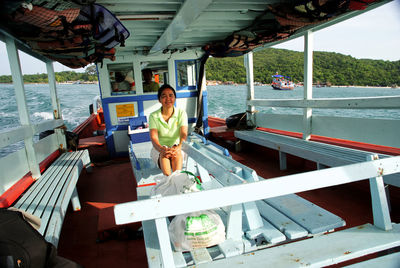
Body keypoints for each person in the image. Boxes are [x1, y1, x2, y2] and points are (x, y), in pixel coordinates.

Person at [149, 84, 188, 176]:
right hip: (159, 148)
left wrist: (178, 147)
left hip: (177, 147)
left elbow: (183, 134)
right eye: (164, 96)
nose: (168, 99)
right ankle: (169, 179)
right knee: (164, 155)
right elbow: (154, 138)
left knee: (177, 153)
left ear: (175, 98)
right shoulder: (153, 116)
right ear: (159, 100)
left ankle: (175, 179)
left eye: (171, 95)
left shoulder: (181, 113)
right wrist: (162, 149)